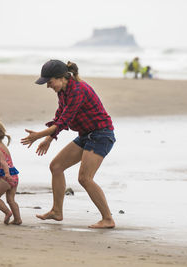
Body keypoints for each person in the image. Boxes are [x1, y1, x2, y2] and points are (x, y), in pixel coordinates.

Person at [21, 60, 116, 229]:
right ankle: (57, 211)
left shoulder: (78, 90)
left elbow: (64, 121)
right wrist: (48, 139)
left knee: (84, 178)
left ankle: (107, 218)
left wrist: (38, 136)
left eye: (49, 82)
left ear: (60, 78)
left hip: (101, 135)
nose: (48, 86)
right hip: (87, 135)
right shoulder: (63, 91)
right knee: (56, 166)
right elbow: (60, 116)